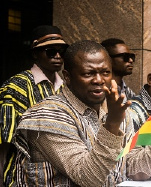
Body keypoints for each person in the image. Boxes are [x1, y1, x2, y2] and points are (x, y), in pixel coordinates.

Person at [13, 40, 132, 186]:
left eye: (105, 72)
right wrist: (112, 124)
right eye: (89, 73)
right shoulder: (48, 115)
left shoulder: (115, 109)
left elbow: (134, 167)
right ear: (67, 77)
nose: (99, 80)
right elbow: (87, 178)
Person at [0, 25, 68, 186]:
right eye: (51, 51)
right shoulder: (16, 86)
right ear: (35, 54)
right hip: (22, 178)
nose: (58, 56)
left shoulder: (65, 87)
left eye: (62, 51)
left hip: (57, 178)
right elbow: (4, 142)